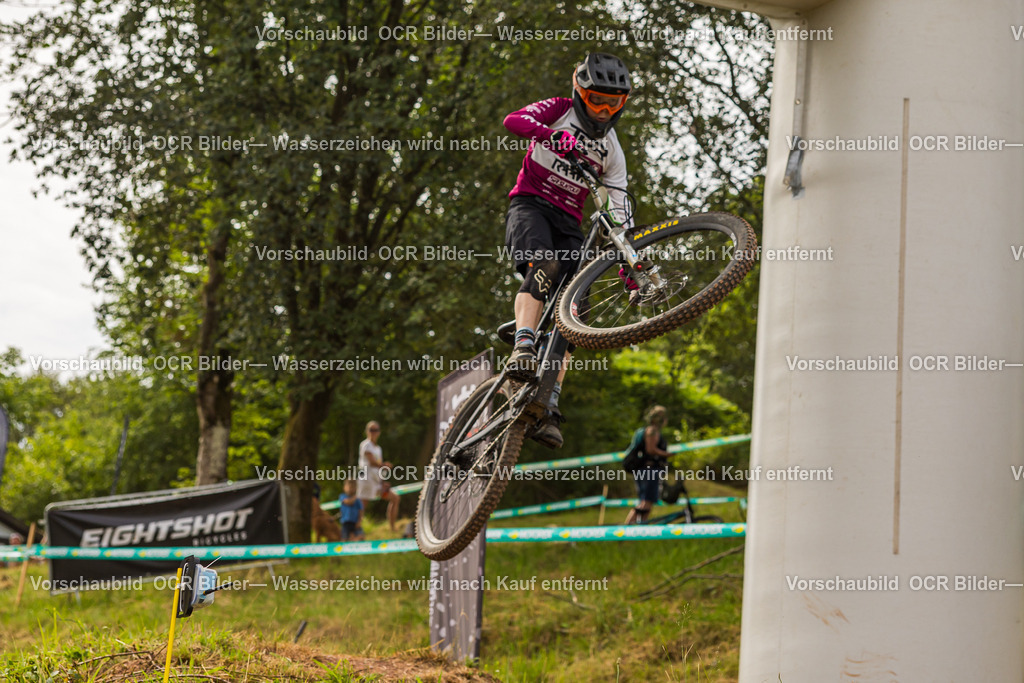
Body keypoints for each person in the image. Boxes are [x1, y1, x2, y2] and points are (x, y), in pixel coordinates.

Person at [502, 52, 634, 449]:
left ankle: (548, 402)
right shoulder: (559, 111)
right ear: (579, 92)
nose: (606, 111)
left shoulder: (611, 148)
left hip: (569, 222)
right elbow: (514, 120)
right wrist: (550, 135)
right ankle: (523, 344)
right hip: (529, 205)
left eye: (615, 104)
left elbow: (620, 207)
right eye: (598, 101)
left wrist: (630, 264)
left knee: (573, 310)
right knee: (546, 266)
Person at [625, 405, 671, 524]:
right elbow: (651, 450)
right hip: (649, 470)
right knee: (646, 502)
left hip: (644, 470)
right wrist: (667, 454)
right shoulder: (652, 431)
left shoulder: (645, 430)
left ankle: (640, 529)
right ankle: (626, 530)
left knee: (645, 501)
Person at [357, 420, 400, 532]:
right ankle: (354, 532)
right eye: (371, 430)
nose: (373, 432)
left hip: (376, 482)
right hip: (366, 480)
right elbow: (372, 463)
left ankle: (392, 528)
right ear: (367, 431)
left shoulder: (378, 448)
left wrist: (382, 482)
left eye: (375, 430)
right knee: (362, 507)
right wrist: (384, 465)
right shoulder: (365, 444)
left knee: (395, 498)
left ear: (379, 432)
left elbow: (377, 466)